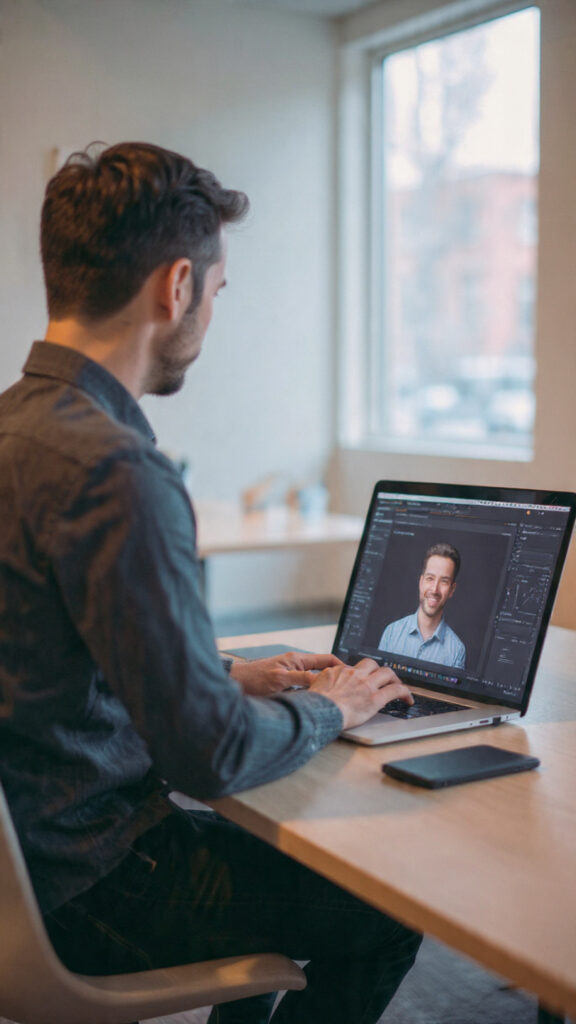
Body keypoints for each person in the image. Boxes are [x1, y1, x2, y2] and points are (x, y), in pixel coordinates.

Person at [0, 141, 421, 1024]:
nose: (211, 315)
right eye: (219, 294)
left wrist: (229, 677)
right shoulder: (118, 470)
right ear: (177, 285)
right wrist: (337, 706)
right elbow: (213, 758)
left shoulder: (15, 428)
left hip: (31, 860)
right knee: (389, 905)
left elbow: (45, 656)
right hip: (98, 881)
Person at [379, 543, 466, 669]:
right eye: (430, 578)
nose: (434, 590)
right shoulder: (391, 633)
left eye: (444, 581)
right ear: (421, 582)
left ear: (452, 590)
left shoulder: (457, 651)